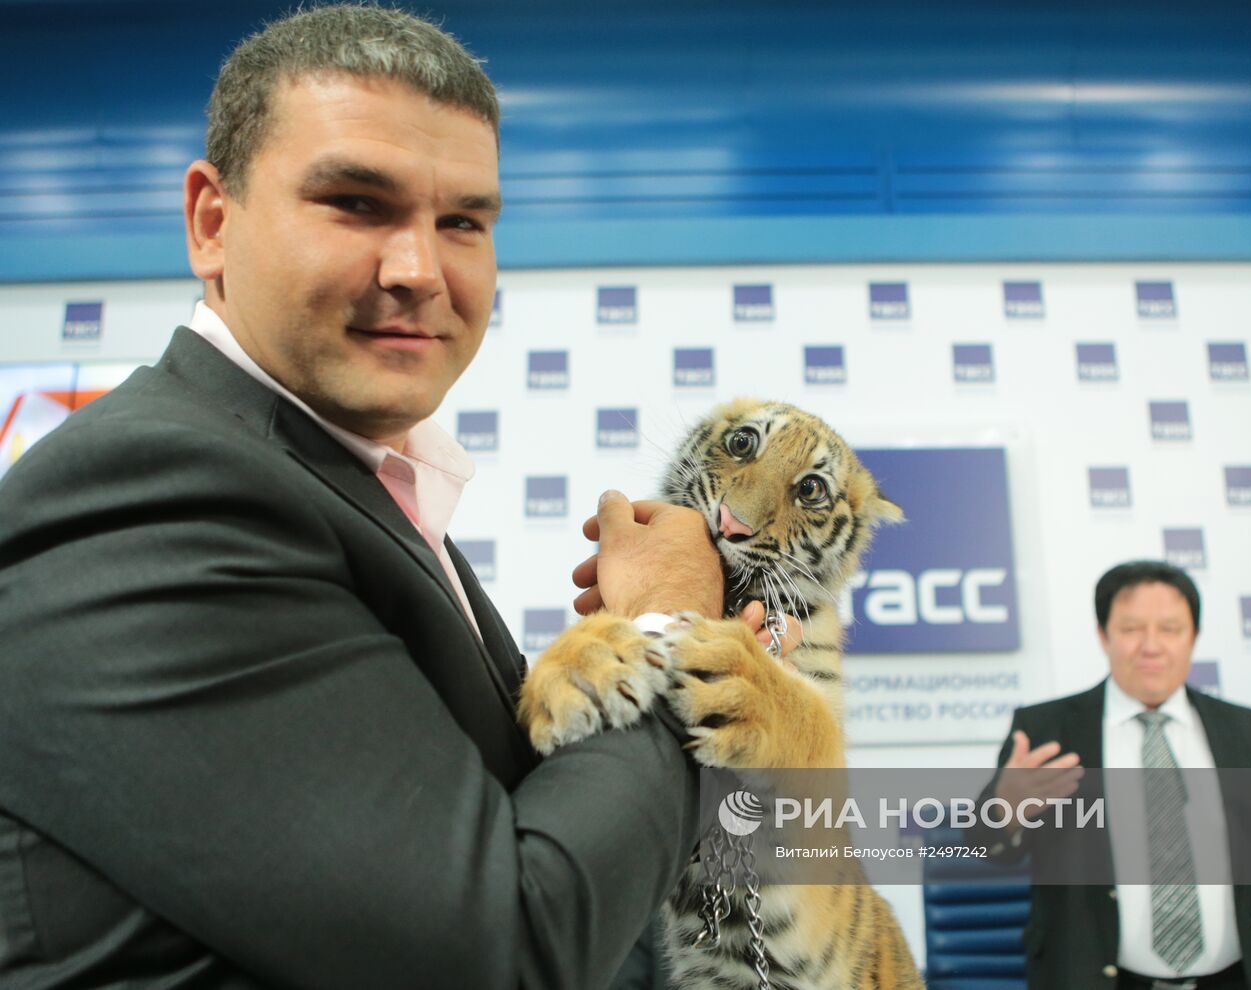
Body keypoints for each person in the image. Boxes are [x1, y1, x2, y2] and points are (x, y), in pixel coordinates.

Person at [0, 7, 791, 988]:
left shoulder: (345, 485)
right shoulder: (155, 496)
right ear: (213, 222)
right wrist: (669, 640)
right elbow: (498, 952)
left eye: (461, 221)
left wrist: (683, 684)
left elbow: (515, 861)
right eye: (355, 203)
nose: (419, 271)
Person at [970, 560, 1251, 990]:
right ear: (1103, 635)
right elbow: (988, 846)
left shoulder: (1245, 730)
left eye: (1170, 629)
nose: (1151, 646)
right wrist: (1003, 810)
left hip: (1237, 980)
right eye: (1132, 629)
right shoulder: (1048, 730)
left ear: (1194, 637)